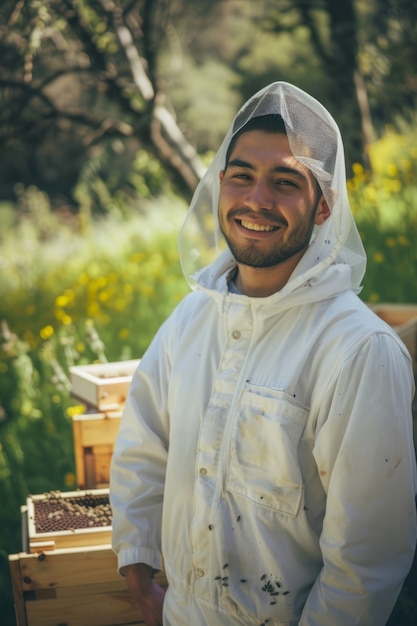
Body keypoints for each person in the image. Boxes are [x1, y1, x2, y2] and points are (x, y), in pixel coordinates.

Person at [110, 81, 417, 626]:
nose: (257, 200)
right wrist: (138, 567)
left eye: (285, 182)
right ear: (220, 185)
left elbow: (365, 560)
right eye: (243, 177)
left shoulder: (358, 351)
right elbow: (144, 439)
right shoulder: (193, 318)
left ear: (325, 207)